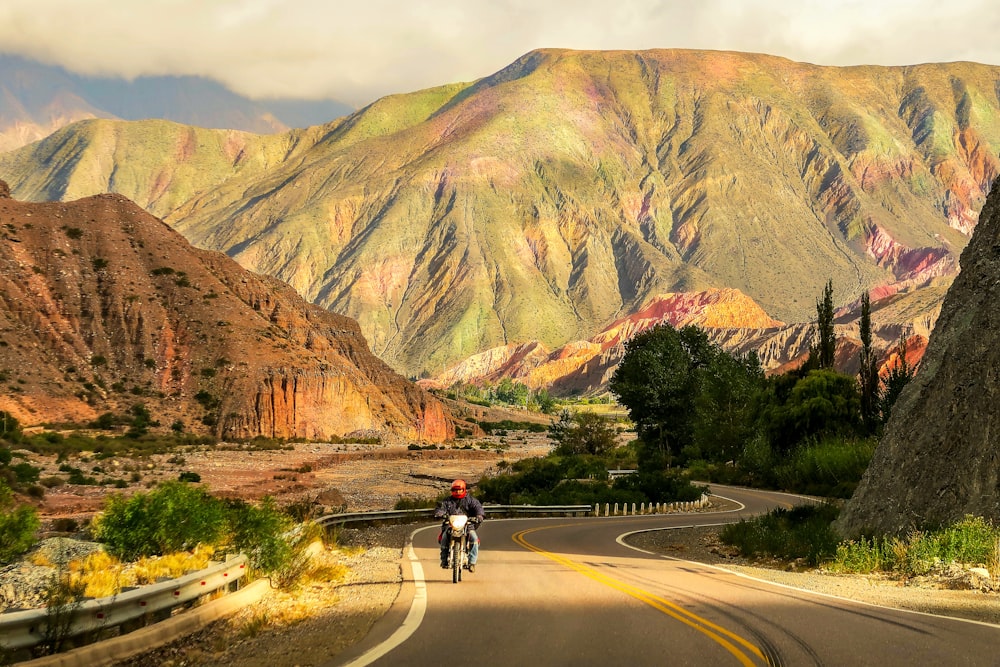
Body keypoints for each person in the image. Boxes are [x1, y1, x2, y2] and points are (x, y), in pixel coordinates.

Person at [434, 479, 484, 572]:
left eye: (459, 490)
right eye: (455, 490)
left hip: (467, 525)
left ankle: (472, 562)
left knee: (474, 538)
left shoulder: (471, 500)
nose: (457, 492)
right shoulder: (447, 501)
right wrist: (440, 513)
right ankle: (444, 560)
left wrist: (479, 516)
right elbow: (440, 508)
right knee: (444, 537)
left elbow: (478, 508)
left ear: (464, 489)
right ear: (452, 490)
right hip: (451, 525)